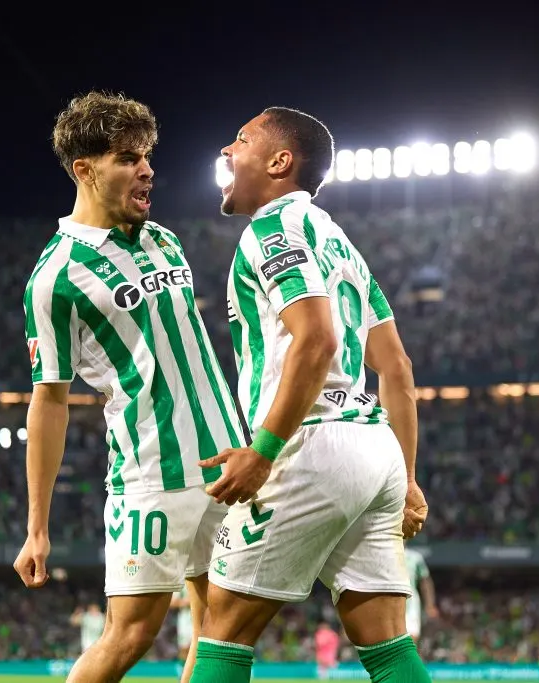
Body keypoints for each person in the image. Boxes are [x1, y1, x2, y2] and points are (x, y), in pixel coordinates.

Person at [188, 107, 431, 683]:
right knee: (388, 643)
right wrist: (410, 479)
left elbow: (317, 338)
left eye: (241, 140)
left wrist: (263, 450)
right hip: (375, 450)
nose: (227, 149)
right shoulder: (341, 244)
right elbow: (396, 367)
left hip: (310, 443)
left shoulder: (272, 229)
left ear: (280, 162)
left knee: (221, 631)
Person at [12, 91, 245, 683]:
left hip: (226, 464)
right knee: (132, 634)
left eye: (146, 155)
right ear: (84, 170)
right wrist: (38, 525)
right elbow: (50, 402)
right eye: (126, 157)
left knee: (224, 625)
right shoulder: (55, 277)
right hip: (152, 473)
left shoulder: (163, 239)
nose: (146, 169)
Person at [404, 548, 439, 642]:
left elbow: (425, 581)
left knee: (411, 640)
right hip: (388, 603)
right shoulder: (385, 554)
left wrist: (430, 605)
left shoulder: (415, 557)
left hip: (410, 603)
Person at [170, 587, 194, 666]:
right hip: (184, 620)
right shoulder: (182, 584)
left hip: (198, 618)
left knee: (194, 647)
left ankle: (192, 673)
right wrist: (185, 602)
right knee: (183, 648)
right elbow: (172, 602)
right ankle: (182, 673)